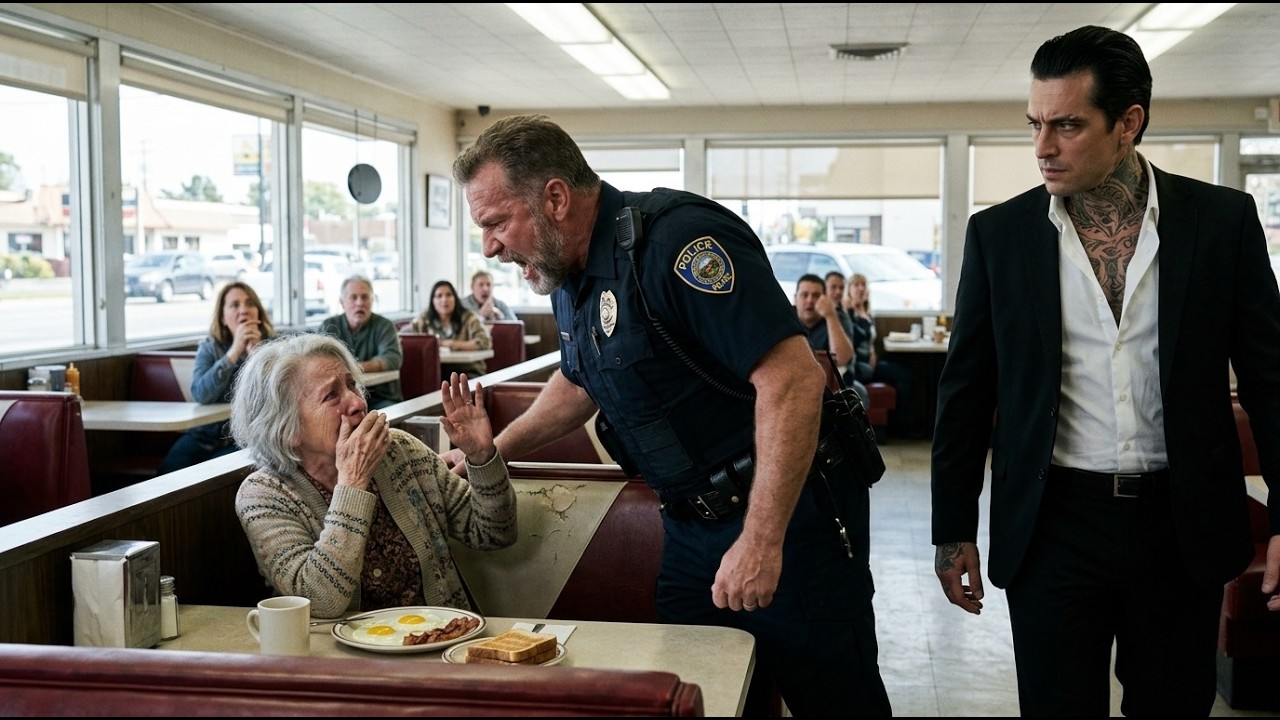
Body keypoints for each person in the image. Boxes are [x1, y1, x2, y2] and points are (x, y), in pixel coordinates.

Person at [449, 113, 891, 716]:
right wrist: (495, 448)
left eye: (496, 223)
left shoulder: (676, 243)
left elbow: (791, 379)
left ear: (554, 198)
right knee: (690, 699)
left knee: (836, 702)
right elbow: (580, 383)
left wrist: (761, 541)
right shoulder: (565, 274)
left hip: (788, 516)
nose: (490, 247)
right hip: (688, 530)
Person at [931, 25, 1280, 717]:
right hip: (1053, 520)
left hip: (1181, 524)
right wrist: (953, 527)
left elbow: (1271, 380)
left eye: (1067, 125)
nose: (1042, 147)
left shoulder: (1222, 223)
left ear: (1128, 124)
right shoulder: (998, 237)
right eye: (1034, 123)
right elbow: (967, 391)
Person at [229, 332, 517, 619]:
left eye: (352, 385)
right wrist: (352, 483)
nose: (356, 402)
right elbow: (320, 600)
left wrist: (482, 457)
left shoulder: (399, 451)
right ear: (286, 429)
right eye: (332, 395)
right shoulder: (263, 496)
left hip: (443, 642)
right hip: (341, 662)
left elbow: (494, 532)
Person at [156, 280, 275, 475]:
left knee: (210, 474)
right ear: (222, 317)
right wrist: (233, 352)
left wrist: (256, 356)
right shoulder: (210, 347)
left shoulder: (273, 346)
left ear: (258, 313)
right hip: (204, 435)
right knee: (167, 473)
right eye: (235, 305)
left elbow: (276, 396)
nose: (243, 310)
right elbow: (201, 394)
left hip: (246, 439)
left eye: (250, 304)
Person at [844, 273, 916, 438]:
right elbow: (852, 339)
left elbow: (870, 342)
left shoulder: (867, 313)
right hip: (858, 367)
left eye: (863, 285)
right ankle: (903, 425)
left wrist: (874, 353)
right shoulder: (848, 313)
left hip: (871, 364)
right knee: (901, 374)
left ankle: (901, 421)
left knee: (903, 373)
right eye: (856, 285)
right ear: (849, 289)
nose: (860, 289)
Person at [319, 275, 403, 409]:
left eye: (365, 297)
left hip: (380, 398)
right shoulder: (330, 326)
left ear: (371, 301)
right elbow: (319, 362)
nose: (359, 303)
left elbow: (392, 359)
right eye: (353, 297)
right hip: (341, 398)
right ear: (342, 302)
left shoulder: (384, 326)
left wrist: (352, 368)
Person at [797, 272, 868, 407]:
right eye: (804, 295)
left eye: (816, 296)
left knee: (857, 394)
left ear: (825, 298)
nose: (810, 300)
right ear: (796, 298)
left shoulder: (839, 317)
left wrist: (830, 316)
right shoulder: (789, 320)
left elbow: (842, 358)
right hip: (799, 383)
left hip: (836, 384)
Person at [410, 279, 492, 377]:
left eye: (449, 295)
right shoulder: (424, 320)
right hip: (435, 373)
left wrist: (451, 344)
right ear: (432, 301)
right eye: (439, 296)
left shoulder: (469, 318)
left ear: (455, 298)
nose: (444, 300)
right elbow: (407, 339)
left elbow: (484, 342)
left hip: (467, 371)